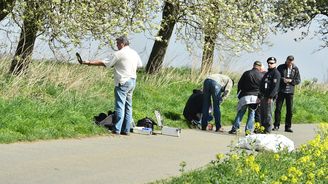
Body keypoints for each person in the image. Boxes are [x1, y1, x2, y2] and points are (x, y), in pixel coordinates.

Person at [82, 36, 142, 135]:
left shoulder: (119, 54)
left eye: (117, 43)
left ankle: (117, 129)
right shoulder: (134, 53)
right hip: (132, 80)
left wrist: (89, 63)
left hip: (122, 81)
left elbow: (104, 62)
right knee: (128, 106)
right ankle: (126, 129)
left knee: (120, 106)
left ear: (122, 43)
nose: (116, 45)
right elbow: (139, 64)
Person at [228, 61, 264, 135]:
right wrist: (260, 97)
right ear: (260, 67)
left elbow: (240, 84)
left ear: (253, 65)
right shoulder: (261, 75)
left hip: (245, 96)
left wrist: (239, 95)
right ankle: (248, 131)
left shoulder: (246, 73)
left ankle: (235, 129)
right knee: (251, 114)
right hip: (255, 97)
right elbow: (262, 88)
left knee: (240, 113)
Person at [273, 55, 301, 132]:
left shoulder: (295, 69)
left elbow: (298, 80)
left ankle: (288, 127)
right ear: (286, 60)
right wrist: (283, 79)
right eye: (289, 60)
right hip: (281, 91)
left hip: (290, 92)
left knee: (290, 110)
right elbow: (277, 76)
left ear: (293, 61)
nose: (290, 62)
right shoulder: (281, 67)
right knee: (278, 109)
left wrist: (290, 81)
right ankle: (276, 125)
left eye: (291, 61)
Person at [259, 57, 281, 133]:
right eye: (268, 63)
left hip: (269, 98)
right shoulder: (267, 73)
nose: (269, 64)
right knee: (262, 114)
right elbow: (262, 85)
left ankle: (268, 131)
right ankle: (262, 129)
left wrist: (270, 97)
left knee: (268, 114)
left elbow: (275, 87)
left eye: (271, 63)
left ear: (275, 64)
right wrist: (260, 95)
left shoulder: (276, 73)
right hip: (263, 96)